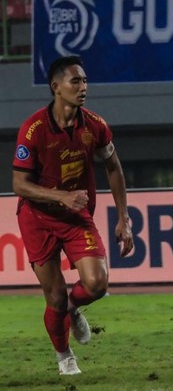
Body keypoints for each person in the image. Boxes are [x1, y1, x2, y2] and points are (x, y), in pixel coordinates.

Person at [12, 56, 134, 375]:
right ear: (56, 88)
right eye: (75, 82)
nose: (83, 87)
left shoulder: (95, 126)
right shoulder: (33, 129)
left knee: (97, 283)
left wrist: (124, 218)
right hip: (37, 220)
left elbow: (114, 167)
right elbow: (19, 184)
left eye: (84, 81)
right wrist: (61, 196)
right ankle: (64, 355)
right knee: (53, 297)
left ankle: (72, 308)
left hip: (77, 217)